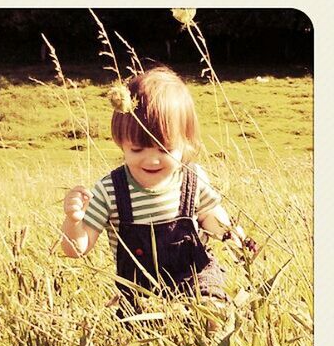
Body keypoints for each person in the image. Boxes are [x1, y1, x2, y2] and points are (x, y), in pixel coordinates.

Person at [61, 66, 256, 324]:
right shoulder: (110, 190)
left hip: (196, 277)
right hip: (141, 291)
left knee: (214, 313)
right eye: (138, 148)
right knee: (143, 336)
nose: (151, 159)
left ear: (186, 142)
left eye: (164, 148)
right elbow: (77, 249)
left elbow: (212, 217)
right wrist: (73, 221)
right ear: (121, 142)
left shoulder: (191, 178)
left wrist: (234, 238)